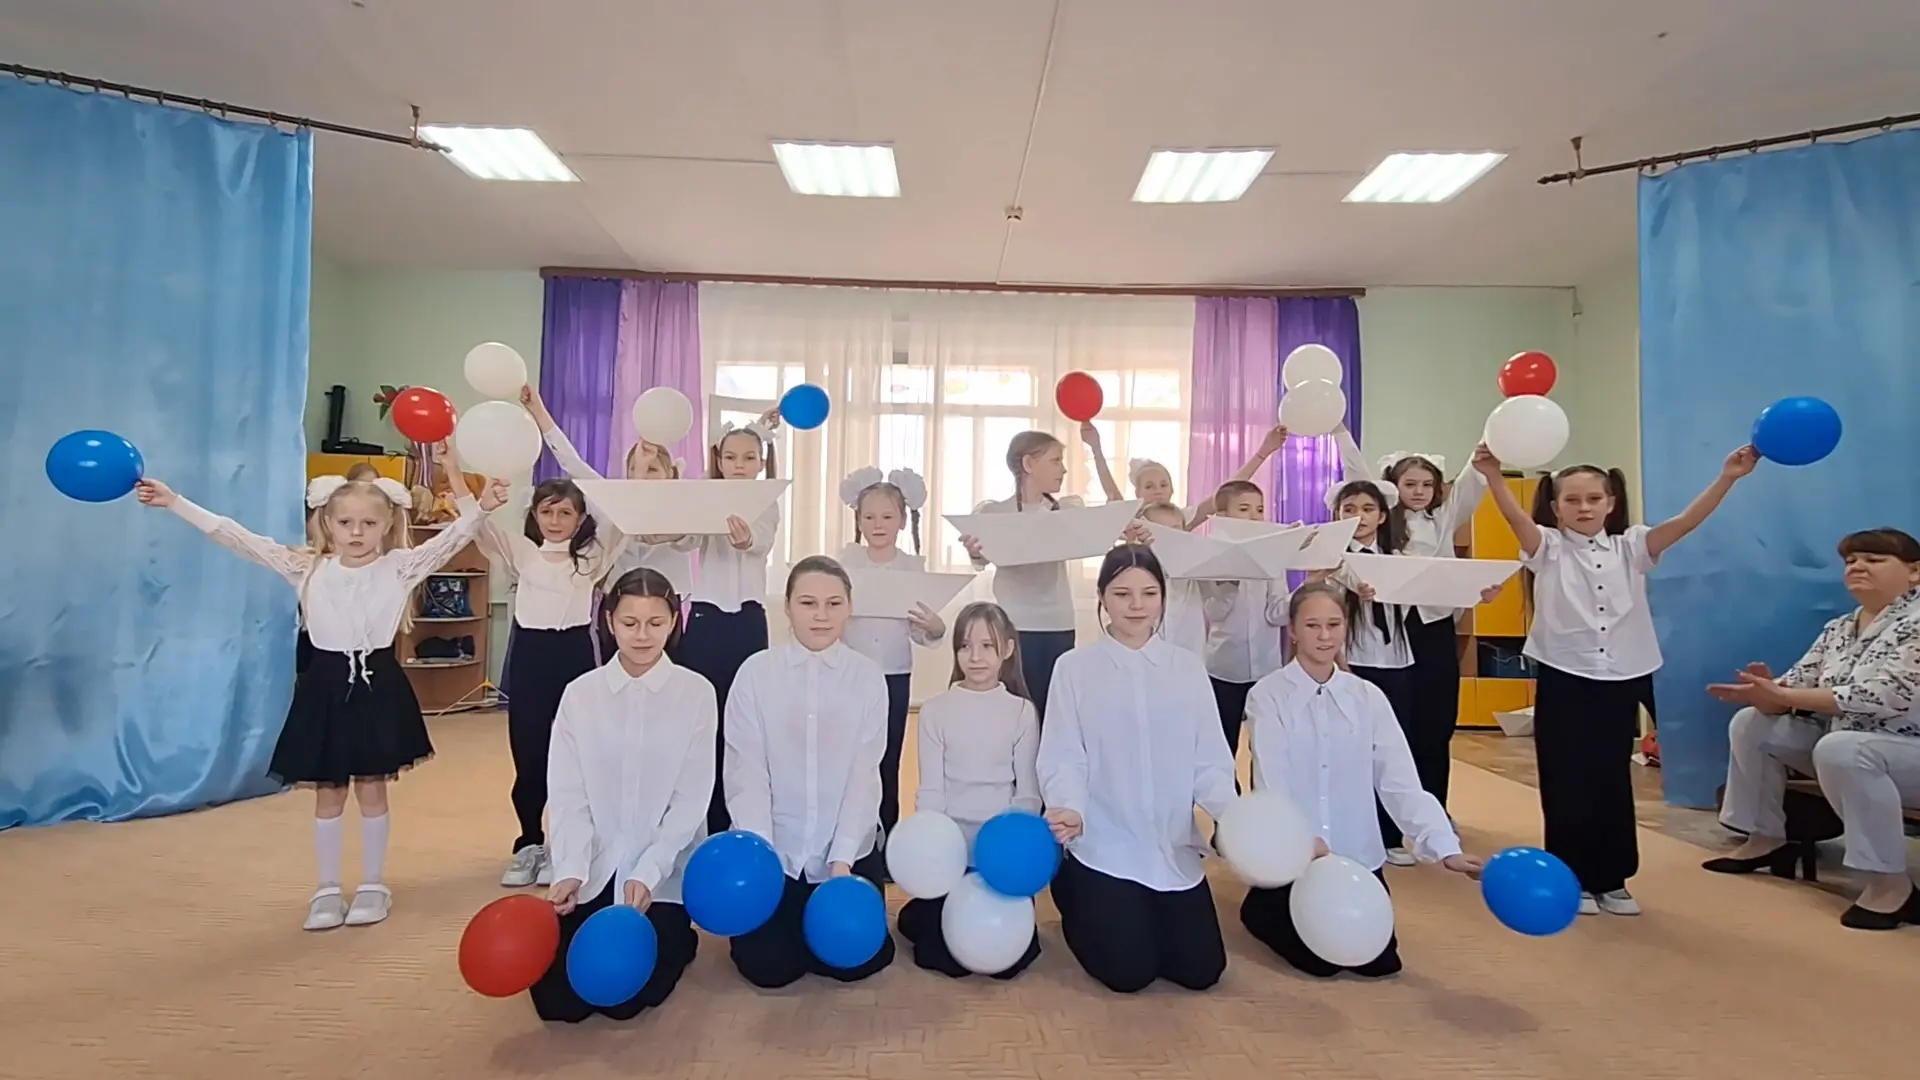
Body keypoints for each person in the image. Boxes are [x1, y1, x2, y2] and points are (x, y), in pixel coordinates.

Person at [135, 442, 507, 930]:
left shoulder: (400, 566)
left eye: (369, 523)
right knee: (328, 794)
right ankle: (327, 887)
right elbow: (235, 536)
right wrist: (175, 501)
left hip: (377, 686)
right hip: (325, 688)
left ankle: (373, 883)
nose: (357, 532)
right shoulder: (307, 567)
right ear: (327, 524)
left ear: (387, 525)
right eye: (346, 522)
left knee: (372, 789)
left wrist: (480, 502)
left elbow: (457, 535)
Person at [1477, 442, 1757, 915]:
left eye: (1593, 499)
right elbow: (1514, 518)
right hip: (1565, 673)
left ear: (1610, 503)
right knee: (1566, 778)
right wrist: (1493, 476)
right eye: (1572, 500)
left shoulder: (1633, 546)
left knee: (1610, 777)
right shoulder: (1548, 548)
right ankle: (1573, 876)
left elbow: (1686, 522)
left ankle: (1612, 877)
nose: (1584, 508)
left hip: (1621, 673)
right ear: (1555, 507)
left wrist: (1727, 477)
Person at [1240, 583, 1485, 976]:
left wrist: (1444, 847)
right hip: (1299, 857)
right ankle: (1262, 903)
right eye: (1313, 625)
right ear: (1293, 630)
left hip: (1355, 855)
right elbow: (1272, 781)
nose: (1324, 636)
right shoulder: (1268, 695)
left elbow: (1400, 782)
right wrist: (1298, 839)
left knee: (1380, 962)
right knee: (1319, 962)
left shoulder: (1368, 697)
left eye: (1334, 624)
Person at [1039, 546, 1238, 993]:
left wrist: (1232, 814)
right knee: (1128, 973)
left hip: (1173, 847)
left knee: (1201, 971)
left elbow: (1209, 758)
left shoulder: (1187, 668)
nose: (1136, 605)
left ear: (1163, 597)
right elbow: (1063, 753)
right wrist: (1069, 806)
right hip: (1104, 844)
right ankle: (1073, 890)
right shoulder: (1074, 668)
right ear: (1102, 598)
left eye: (1149, 593)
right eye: (1122, 593)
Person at [1705, 527, 1920, 929]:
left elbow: (1883, 697)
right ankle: (1765, 838)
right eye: (1851, 561)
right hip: (1852, 746)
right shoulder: (1840, 627)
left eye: (1874, 560)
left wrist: (1785, 695)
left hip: (1906, 750)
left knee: (1842, 748)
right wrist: (1764, 694)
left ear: (1915, 572)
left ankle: (1892, 886)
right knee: (1752, 723)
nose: (1857, 567)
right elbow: (1795, 686)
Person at [530, 568, 713, 1020]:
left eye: (655, 623)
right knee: (557, 1002)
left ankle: (679, 934)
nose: (642, 635)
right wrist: (571, 869)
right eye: (630, 623)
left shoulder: (696, 693)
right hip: (597, 865)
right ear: (609, 621)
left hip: (659, 875)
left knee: (627, 1000)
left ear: (674, 622)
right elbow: (568, 795)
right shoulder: (580, 695)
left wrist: (649, 873)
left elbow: (690, 801)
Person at [723, 556, 895, 987]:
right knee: (770, 968)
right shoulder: (755, 674)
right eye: (808, 603)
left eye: (833, 603)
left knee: (854, 961)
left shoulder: (868, 678)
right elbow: (746, 773)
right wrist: (763, 861)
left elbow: (864, 777)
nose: (821, 615)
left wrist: (841, 863)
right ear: (787, 606)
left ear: (849, 607)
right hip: (776, 851)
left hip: (843, 849)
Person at [464, 474, 631, 889]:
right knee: (529, 753)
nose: (555, 521)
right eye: (547, 511)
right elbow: (474, 521)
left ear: (580, 518)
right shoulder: (521, 551)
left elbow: (622, 515)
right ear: (534, 515)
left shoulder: (591, 557)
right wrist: (452, 470)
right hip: (530, 657)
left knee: (578, 755)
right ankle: (529, 843)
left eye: (565, 512)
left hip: (574, 657)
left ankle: (569, 847)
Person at [1336, 429, 1489, 821]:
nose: (1419, 491)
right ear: (1393, 486)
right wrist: (1339, 430)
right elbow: (1356, 475)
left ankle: (1433, 809)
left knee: (1436, 724)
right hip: (1391, 633)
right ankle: (1384, 812)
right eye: (1410, 484)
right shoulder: (1382, 524)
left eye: (1427, 485)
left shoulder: (1444, 517)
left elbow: (1472, 482)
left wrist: (1491, 442)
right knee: (1390, 727)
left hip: (1434, 626)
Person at [899, 601, 1043, 978]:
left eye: (987, 646)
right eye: (965, 646)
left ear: (1007, 650)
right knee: (940, 954)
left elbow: (1027, 794)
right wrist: (934, 852)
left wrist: (1012, 856)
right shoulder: (935, 710)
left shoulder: (1022, 712)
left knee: (1010, 961)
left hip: (1000, 854)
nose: (975, 657)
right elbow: (931, 792)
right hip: (951, 851)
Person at [682, 417, 782, 834]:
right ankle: (699, 817)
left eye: (748, 457)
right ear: (719, 461)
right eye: (731, 457)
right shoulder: (706, 495)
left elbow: (762, 542)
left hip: (748, 618)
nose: (739, 465)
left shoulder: (768, 501)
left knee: (744, 719)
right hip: (706, 616)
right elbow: (686, 540)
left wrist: (746, 540)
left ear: (760, 463)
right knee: (703, 717)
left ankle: (740, 816)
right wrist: (669, 529)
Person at [837, 467, 947, 841]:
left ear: (902, 520)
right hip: (849, 675)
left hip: (895, 675)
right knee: (850, 757)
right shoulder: (845, 564)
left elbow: (920, 630)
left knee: (888, 758)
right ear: (858, 520)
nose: (878, 524)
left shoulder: (912, 568)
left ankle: (886, 837)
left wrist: (935, 627)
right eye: (869, 517)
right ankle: (847, 833)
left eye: (887, 516)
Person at [958, 430, 1089, 720]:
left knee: (1054, 709)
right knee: (1014, 708)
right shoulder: (995, 513)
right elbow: (981, 559)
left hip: (1058, 624)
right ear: (1028, 464)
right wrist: (975, 551)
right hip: (1013, 624)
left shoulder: (1065, 511)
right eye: (1055, 460)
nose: (1063, 469)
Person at [524, 384, 695, 597]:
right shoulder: (612, 501)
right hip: (619, 596)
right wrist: (539, 411)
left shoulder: (683, 507)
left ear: (669, 473)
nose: (643, 473)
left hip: (668, 596)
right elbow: (571, 462)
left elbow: (685, 538)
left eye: (652, 469)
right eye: (634, 468)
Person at [1199, 480, 1289, 772]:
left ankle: (1264, 799)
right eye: (1244, 509)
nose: (1254, 516)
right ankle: (1225, 800)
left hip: (1267, 669)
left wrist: (1308, 588)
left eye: (1259, 509)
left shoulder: (1272, 555)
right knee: (1222, 747)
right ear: (1222, 516)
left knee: (1267, 749)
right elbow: (1213, 613)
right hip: (1224, 668)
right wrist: (1231, 581)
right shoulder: (1210, 555)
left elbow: (1276, 614)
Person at [1084, 421, 1289, 533]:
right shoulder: (1132, 520)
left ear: (1172, 490)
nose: (1158, 490)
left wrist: (1263, 452)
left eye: (1163, 484)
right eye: (1149, 486)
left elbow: (1227, 491)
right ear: (1137, 492)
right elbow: (1112, 493)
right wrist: (1096, 448)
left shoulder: (1184, 518)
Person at [1125, 500, 1208, 657]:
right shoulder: (1133, 565)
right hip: (1144, 653)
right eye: (1160, 530)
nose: (1169, 537)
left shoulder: (1196, 565)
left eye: (1175, 530)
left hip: (1188, 652)